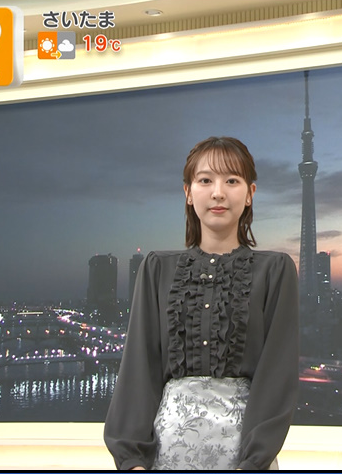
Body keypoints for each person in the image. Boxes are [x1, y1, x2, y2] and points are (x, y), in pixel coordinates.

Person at [104, 136, 300, 470]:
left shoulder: (276, 270)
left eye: (232, 181)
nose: (218, 193)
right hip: (164, 456)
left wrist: (253, 463)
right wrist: (132, 461)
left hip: (247, 460)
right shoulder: (156, 268)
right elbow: (139, 368)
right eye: (205, 180)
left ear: (250, 193)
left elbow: (277, 375)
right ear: (188, 192)